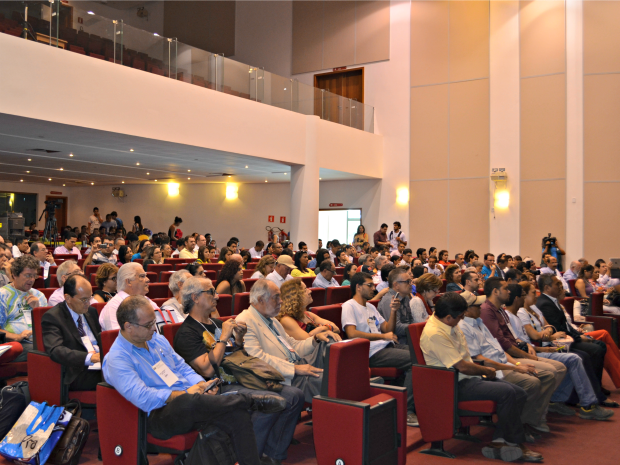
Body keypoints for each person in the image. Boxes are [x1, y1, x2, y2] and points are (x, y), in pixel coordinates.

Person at [103, 295, 286, 465]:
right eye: (148, 324)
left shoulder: (156, 340)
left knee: (237, 414)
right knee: (189, 401)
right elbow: (143, 397)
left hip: (192, 401)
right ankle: (248, 400)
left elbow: (181, 366)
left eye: (154, 322)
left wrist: (200, 384)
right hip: (158, 415)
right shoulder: (117, 358)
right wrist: (183, 394)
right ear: (128, 326)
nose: (154, 327)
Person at [172, 277, 301, 464]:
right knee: (270, 402)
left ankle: (272, 455)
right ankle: (248, 459)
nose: (217, 296)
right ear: (195, 297)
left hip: (240, 379)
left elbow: (238, 359)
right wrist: (224, 337)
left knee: (295, 396)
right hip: (217, 388)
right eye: (211, 292)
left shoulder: (216, 324)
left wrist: (238, 340)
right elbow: (208, 370)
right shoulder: (187, 333)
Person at [421, 292, 542, 462]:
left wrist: (486, 369)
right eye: (460, 316)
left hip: (466, 376)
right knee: (507, 392)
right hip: (453, 383)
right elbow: (462, 366)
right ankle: (516, 443)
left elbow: (467, 359)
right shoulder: (435, 333)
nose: (462, 319)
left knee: (520, 393)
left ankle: (500, 441)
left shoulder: (448, 323)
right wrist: (486, 371)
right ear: (449, 317)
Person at [457, 290, 562, 439]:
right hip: (492, 369)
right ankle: (519, 426)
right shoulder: (463, 327)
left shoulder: (479, 322)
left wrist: (516, 363)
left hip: (503, 362)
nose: (481, 308)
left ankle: (529, 421)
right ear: (466, 310)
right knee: (531, 383)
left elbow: (497, 349)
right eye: (477, 306)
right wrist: (515, 367)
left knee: (548, 375)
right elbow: (479, 358)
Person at [511, 282, 616, 418]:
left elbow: (550, 326)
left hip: (551, 344)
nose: (536, 295)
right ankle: (588, 403)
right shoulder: (519, 313)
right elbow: (535, 336)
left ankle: (580, 396)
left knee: (585, 353)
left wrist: (549, 332)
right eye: (531, 293)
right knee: (578, 356)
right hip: (542, 347)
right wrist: (550, 335)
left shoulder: (534, 309)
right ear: (520, 297)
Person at [236, 280, 333, 403]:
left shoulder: (273, 320)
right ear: (260, 300)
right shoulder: (245, 321)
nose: (281, 301)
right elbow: (256, 358)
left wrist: (315, 340)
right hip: (283, 377)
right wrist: (294, 368)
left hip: (295, 364)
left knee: (327, 342)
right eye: (276, 297)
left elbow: (293, 346)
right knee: (330, 382)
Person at [342, 272, 417, 425]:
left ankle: (412, 403)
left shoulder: (370, 306)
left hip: (384, 346)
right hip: (369, 352)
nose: (373, 289)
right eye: (369, 285)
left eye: (374, 285)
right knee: (413, 359)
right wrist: (383, 337)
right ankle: (407, 410)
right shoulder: (349, 306)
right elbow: (351, 333)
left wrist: (394, 312)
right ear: (358, 287)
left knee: (419, 354)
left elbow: (386, 328)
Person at [480, 278, 567, 402]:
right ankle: (534, 413)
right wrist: (526, 356)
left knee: (559, 368)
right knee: (551, 371)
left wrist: (525, 345)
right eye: (505, 288)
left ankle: (540, 408)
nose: (509, 292)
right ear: (495, 291)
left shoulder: (500, 310)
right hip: (507, 357)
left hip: (514, 353)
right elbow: (502, 344)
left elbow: (512, 337)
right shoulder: (487, 311)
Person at [536, 274, 610, 385]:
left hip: (567, 337)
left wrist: (579, 335)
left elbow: (566, 325)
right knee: (596, 349)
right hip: (559, 342)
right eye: (557, 284)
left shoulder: (552, 300)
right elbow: (558, 329)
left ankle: (597, 384)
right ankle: (594, 386)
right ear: (547, 288)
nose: (561, 286)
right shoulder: (545, 303)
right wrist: (578, 338)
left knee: (600, 345)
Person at [41, 275, 102, 391]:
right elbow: (55, 350)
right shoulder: (53, 317)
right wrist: (90, 358)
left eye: (90, 298)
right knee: (118, 377)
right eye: (84, 299)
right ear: (68, 298)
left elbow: (101, 340)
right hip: (77, 370)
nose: (88, 303)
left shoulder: (91, 312)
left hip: (100, 362)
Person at [0, 255, 47, 361]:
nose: (31, 279)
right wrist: (17, 336)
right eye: (27, 275)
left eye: (34, 276)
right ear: (15, 275)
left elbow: (48, 326)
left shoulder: (39, 296)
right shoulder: (3, 295)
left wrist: (37, 310)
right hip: (15, 343)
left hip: (39, 340)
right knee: (42, 352)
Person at [99, 262, 159, 330]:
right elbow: (116, 336)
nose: (148, 280)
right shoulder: (114, 306)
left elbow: (161, 325)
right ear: (129, 282)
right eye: (142, 276)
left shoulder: (147, 300)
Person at [377, 268, 416, 344]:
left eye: (411, 281)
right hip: (397, 341)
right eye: (407, 282)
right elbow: (396, 328)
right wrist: (415, 328)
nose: (411, 284)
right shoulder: (389, 300)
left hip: (408, 337)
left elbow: (410, 319)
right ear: (396, 285)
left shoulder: (405, 297)